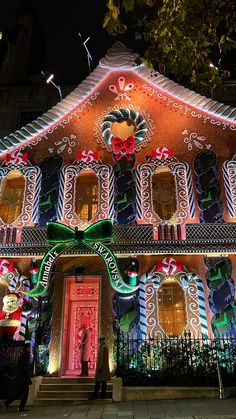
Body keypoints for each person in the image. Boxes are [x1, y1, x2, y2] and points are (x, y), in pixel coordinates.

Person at [5, 343, 32, 412]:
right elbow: (22, 366)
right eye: (30, 347)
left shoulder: (25, 355)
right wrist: (27, 372)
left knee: (19, 393)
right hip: (23, 378)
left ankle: (8, 402)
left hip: (22, 377)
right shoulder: (24, 355)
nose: (31, 348)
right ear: (27, 348)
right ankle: (21, 407)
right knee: (25, 392)